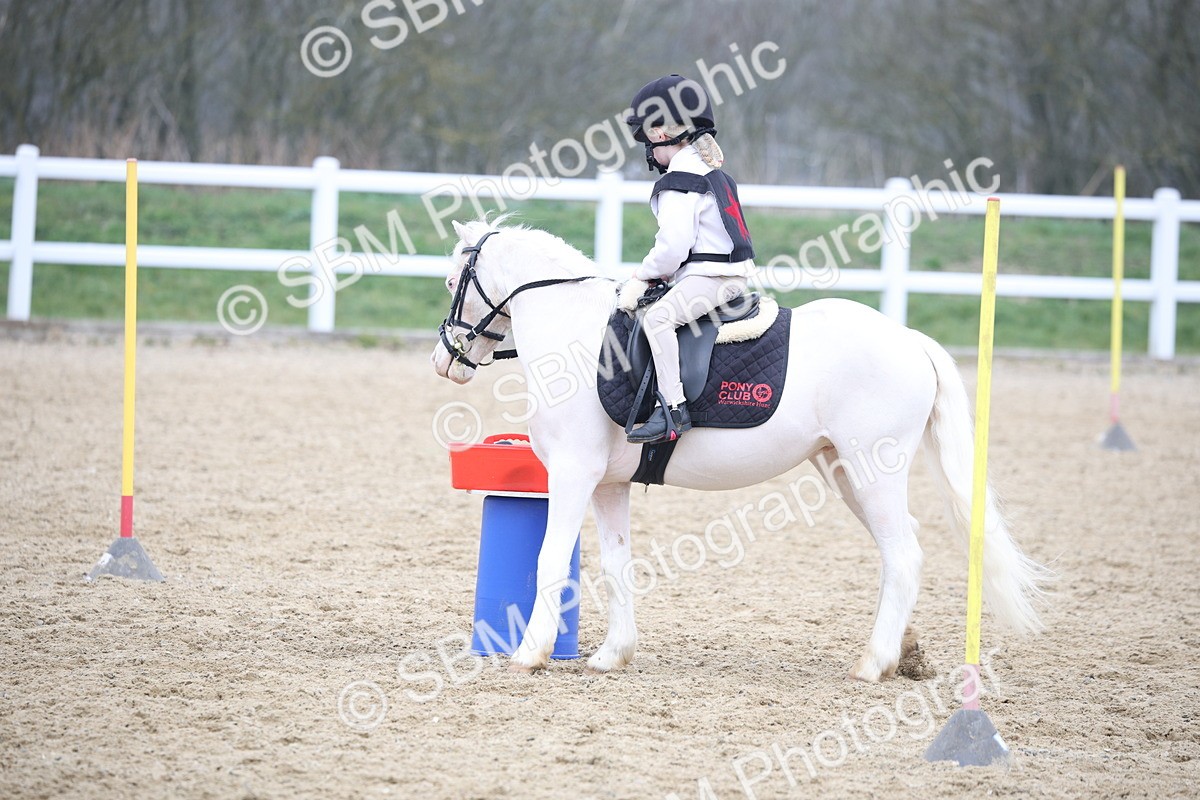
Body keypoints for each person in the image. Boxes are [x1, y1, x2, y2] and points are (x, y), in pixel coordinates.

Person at [619, 74, 757, 444]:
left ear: (660, 133)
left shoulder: (679, 178)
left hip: (709, 279)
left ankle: (672, 410)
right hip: (730, 275)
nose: (648, 151)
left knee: (658, 319)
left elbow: (673, 248)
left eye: (646, 139)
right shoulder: (714, 172)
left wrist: (644, 274)